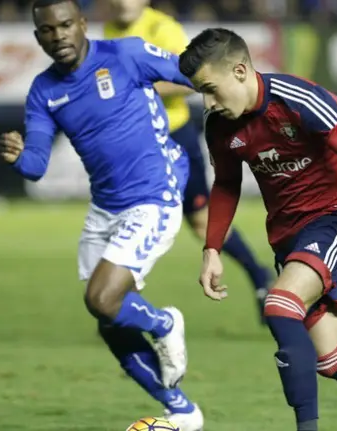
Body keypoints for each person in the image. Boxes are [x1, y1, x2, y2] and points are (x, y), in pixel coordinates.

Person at [181, 28, 337, 431]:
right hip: (288, 237)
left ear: (241, 69)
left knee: (279, 304)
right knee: (334, 361)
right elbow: (228, 183)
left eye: (212, 89)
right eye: (201, 93)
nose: (208, 102)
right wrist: (212, 248)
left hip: (334, 217)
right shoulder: (220, 124)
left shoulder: (298, 99)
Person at [0, 1, 203, 429]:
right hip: (105, 209)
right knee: (109, 322)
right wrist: (19, 157)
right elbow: (36, 165)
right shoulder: (43, 91)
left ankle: (164, 322)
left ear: (84, 25)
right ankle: (182, 412)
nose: (59, 36)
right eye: (48, 31)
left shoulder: (125, 55)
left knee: (102, 298)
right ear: (39, 38)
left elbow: (194, 73)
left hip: (155, 195)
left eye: (67, 25)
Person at [104, 0, 273, 322]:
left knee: (200, 221)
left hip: (173, 138)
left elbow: (189, 79)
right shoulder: (111, 30)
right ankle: (118, 304)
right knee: (128, 217)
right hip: (135, 143)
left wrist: (138, 88)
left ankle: (259, 276)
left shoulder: (162, 28)